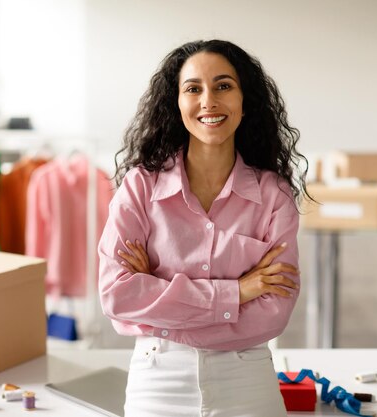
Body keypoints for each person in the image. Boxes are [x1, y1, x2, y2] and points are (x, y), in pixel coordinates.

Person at [98, 39, 309, 417]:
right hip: (157, 378)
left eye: (224, 86)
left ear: (246, 101)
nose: (208, 101)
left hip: (246, 380)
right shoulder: (140, 186)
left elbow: (274, 313)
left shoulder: (274, 195)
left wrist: (159, 302)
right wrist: (237, 292)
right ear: (176, 103)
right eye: (193, 88)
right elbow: (117, 295)